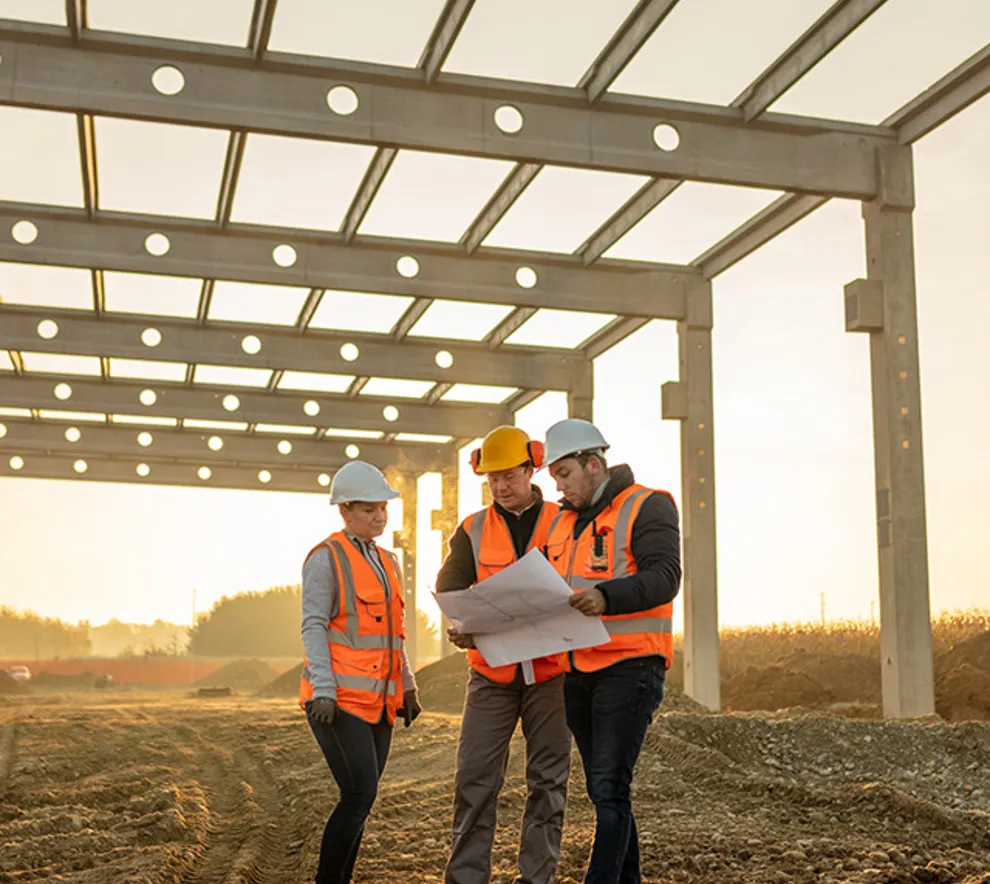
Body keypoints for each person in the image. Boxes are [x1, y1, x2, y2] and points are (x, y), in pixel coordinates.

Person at [541, 418, 681, 884]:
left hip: (631, 666)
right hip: (577, 671)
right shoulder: (562, 523)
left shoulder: (648, 505)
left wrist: (606, 596)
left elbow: (665, 577)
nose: (559, 487)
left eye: (564, 474)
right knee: (607, 792)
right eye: (554, 477)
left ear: (594, 464)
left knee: (608, 787)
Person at [438, 426, 571, 884]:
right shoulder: (472, 529)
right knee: (474, 780)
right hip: (491, 674)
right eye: (492, 479)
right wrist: (463, 624)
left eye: (509, 476)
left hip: (552, 675)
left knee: (548, 783)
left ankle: (537, 878)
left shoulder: (565, 520)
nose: (500, 487)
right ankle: (466, 879)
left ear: (532, 468)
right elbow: (450, 588)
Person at [299, 460, 422, 884]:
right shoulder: (326, 559)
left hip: (379, 701)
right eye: (369, 509)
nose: (380, 516)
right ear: (345, 510)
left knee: (362, 800)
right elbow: (313, 625)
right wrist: (323, 689)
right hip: (337, 701)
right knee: (358, 793)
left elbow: (394, 633)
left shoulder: (388, 562)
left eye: (383, 507)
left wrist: (407, 685)